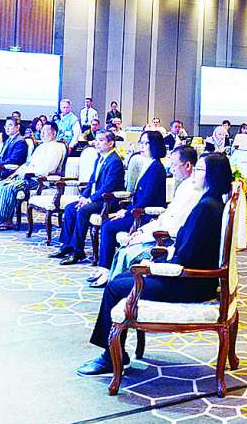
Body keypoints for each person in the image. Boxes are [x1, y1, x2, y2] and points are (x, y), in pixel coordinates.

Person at [77, 153, 233, 376]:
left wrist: (157, 267)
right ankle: (114, 352)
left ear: (212, 175)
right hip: (194, 278)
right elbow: (188, 250)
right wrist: (159, 262)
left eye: (199, 170)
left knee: (114, 287)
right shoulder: (211, 203)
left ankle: (110, 357)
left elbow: (187, 256)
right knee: (120, 278)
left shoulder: (207, 208)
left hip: (190, 283)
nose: (195, 175)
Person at [97, 146, 203, 285]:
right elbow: (166, 216)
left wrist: (142, 237)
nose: (171, 170)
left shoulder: (193, 192)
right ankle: (115, 283)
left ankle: (123, 287)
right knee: (120, 241)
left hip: (166, 238)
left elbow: (173, 225)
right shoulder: (185, 186)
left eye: (174, 165)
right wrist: (141, 231)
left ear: (188, 165)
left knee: (126, 252)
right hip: (157, 228)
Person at [88, 133, 168, 276]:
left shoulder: (156, 168)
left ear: (154, 145)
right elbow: (139, 197)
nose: (141, 146)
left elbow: (147, 198)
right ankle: (104, 269)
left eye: (145, 143)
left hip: (145, 215)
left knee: (108, 227)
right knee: (107, 224)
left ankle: (105, 270)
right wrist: (126, 209)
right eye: (141, 143)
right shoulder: (148, 164)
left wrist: (126, 211)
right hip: (137, 210)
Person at [51, 130, 125, 265]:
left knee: (83, 210)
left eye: (101, 140)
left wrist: (89, 200)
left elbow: (108, 187)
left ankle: (77, 251)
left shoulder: (115, 161)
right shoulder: (100, 158)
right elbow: (92, 182)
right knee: (70, 208)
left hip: (109, 200)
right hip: (97, 198)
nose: (97, 143)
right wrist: (83, 197)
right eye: (96, 140)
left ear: (110, 143)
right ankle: (67, 246)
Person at [0, 123, 68, 230]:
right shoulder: (41, 146)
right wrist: (16, 173)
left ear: (54, 133)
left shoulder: (56, 148)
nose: (42, 133)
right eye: (42, 131)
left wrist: (28, 173)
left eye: (45, 131)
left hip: (40, 180)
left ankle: (6, 221)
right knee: (1, 184)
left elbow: (48, 169)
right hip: (28, 177)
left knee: (9, 187)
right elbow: (28, 164)